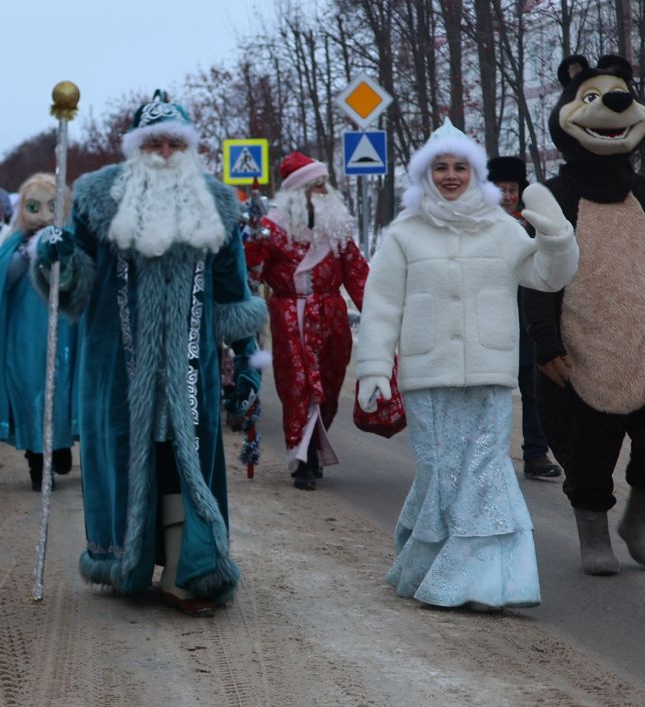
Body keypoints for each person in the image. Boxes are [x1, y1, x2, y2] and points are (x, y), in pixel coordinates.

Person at [35, 90, 267, 616]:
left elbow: (234, 294)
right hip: (117, 365)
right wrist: (57, 258)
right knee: (127, 455)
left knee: (182, 460)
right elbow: (72, 292)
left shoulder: (217, 204)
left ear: (187, 149)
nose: (164, 152)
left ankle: (189, 575)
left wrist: (248, 358)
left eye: (174, 143)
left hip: (190, 365)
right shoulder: (98, 199)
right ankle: (130, 562)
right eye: (154, 143)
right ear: (137, 150)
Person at [354, 122, 579, 613]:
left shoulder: (500, 227)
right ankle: (426, 566)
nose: (450, 176)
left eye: (460, 167)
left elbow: (546, 275)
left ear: (475, 174)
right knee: (440, 472)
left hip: (488, 371)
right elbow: (382, 303)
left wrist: (557, 233)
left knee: (484, 471)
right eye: (441, 167)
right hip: (427, 374)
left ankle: (482, 582)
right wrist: (373, 368)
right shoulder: (404, 232)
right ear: (425, 174)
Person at [521, 55, 645, 576]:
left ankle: (639, 520)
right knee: (586, 444)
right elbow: (538, 274)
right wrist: (545, 341)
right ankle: (593, 533)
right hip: (579, 343)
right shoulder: (555, 196)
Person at [247, 152, 368, 490]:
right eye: (314, 187)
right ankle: (302, 460)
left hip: (332, 317)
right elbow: (250, 274)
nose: (322, 192)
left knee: (328, 388)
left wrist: (377, 312)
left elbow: (357, 274)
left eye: (323, 185)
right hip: (291, 316)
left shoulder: (336, 228)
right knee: (299, 387)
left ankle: (314, 446)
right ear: (297, 193)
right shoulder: (271, 229)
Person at [0, 173, 79, 489]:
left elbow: (81, 280)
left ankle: (59, 447)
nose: (43, 214)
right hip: (24, 335)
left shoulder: (71, 241)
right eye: (35, 206)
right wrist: (26, 256)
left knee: (60, 389)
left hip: (64, 331)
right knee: (30, 391)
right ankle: (37, 461)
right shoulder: (13, 244)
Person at [487, 154, 565, 482]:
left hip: (526, 318)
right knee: (492, 391)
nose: (507, 195)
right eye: (501, 189)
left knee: (533, 389)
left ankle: (535, 453)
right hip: (491, 319)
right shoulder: (479, 225)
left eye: (512, 189)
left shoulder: (532, 224)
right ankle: (489, 455)